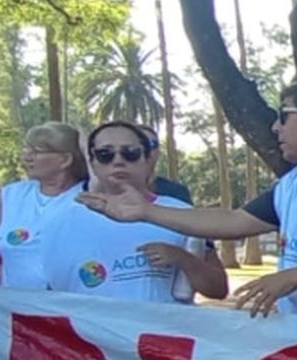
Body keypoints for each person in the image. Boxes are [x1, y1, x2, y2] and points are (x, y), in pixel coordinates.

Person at [81, 76, 297, 321]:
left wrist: (295, 277)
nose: (275, 127)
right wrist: (147, 212)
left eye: (283, 116)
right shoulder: (291, 185)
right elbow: (233, 220)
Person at [41, 122, 227, 303]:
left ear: (148, 160)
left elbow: (218, 289)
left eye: (130, 153)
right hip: (92, 332)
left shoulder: (181, 213)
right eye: (105, 154)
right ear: (93, 163)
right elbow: (50, 296)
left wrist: (182, 258)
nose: (118, 161)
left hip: (163, 331)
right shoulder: (62, 218)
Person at [0, 122, 86, 288]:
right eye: (26, 150)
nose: (27, 157)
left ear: (66, 159)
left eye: (37, 152)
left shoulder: (89, 194)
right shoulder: (13, 195)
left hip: (74, 305)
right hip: (17, 306)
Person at [135, 123, 193, 204]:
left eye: (151, 144)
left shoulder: (177, 192)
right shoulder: (113, 191)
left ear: (159, 151)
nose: (146, 150)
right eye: (139, 144)